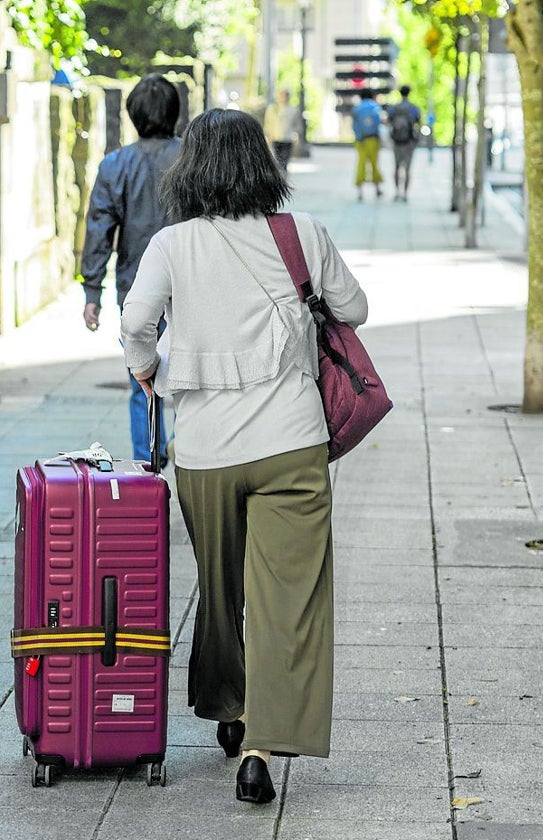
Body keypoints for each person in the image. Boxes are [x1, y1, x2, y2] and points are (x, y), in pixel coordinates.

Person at [120, 108, 368, 804]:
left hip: (205, 450)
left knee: (222, 585)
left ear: (189, 168)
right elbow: (356, 308)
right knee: (286, 597)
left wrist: (146, 368)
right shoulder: (303, 235)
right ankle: (260, 746)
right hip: (292, 442)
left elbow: (136, 324)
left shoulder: (172, 245)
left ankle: (229, 708)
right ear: (263, 165)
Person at [80, 73, 181, 465]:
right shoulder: (191, 159)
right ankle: (182, 445)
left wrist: (92, 293)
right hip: (190, 288)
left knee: (143, 383)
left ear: (133, 115)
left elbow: (98, 230)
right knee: (196, 381)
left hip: (135, 292)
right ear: (175, 113)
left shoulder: (114, 166)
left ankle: (147, 465)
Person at [387, 85, 422, 201]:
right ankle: (405, 194)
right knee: (407, 169)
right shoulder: (413, 108)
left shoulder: (395, 108)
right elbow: (418, 123)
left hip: (397, 142)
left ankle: (397, 192)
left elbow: (389, 122)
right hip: (409, 142)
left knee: (396, 167)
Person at [351, 89, 384, 200]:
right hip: (373, 139)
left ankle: (360, 191)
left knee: (361, 164)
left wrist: (359, 137)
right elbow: (378, 124)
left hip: (361, 141)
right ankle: (377, 188)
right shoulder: (375, 107)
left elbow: (354, 126)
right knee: (374, 164)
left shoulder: (357, 108)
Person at [263, 88, 299, 171]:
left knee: (285, 160)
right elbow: (267, 123)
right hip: (275, 138)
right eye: (281, 95)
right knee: (277, 159)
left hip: (288, 138)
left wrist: (296, 136)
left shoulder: (293, 110)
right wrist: (268, 135)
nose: (283, 97)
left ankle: (283, 176)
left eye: (285, 95)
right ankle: (280, 176)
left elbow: (297, 125)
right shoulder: (272, 108)